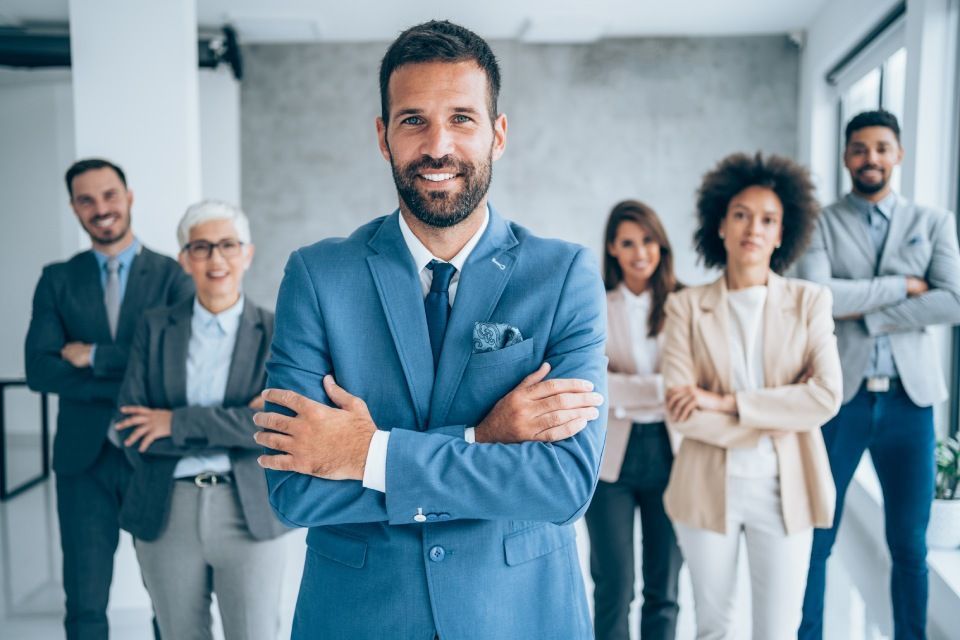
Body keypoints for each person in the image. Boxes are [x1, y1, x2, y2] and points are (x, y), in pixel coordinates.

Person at [252, 20, 607, 640]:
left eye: (462, 118)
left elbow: (563, 485)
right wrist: (481, 438)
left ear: (498, 134)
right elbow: (294, 487)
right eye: (413, 120)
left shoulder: (564, 275)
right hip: (362, 617)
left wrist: (367, 455)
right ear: (383, 136)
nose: (438, 146)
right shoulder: (317, 276)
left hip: (517, 615)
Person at [660, 152, 843, 640]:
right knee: (713, 627)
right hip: (706, 486)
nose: (753, 229)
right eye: (741, 215)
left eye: (768, 219)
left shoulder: (810, 301)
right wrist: (784, 410)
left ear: (783, 233)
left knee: (778, 631)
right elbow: (682, 411)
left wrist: (725, 402)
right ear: (721, 224)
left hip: (786, 487)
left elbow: (826, 398)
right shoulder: (685, 307)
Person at [796, 110, 960, 640]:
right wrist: (902, 285)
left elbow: (952, 300)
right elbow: (818, 296)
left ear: (898, 155)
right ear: (846, 156)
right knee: (818, 536)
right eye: (860, 148)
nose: (871, 158)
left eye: (882, 148)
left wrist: (867, 312)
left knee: (910, 545)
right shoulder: (819, 223)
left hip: (911, 404)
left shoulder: (933, 221)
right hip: (839, 399)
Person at [24, 158, 193, 640]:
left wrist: (93, 355)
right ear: (74, 208)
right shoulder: (57, 279)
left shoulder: (172, 276)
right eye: (86, 200)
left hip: (153, 457)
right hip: (83, 463)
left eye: (109, 195)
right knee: (84, 604)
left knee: (170, 599)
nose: (100, 208)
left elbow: (177, 362)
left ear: (129, 197)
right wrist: (132, 374)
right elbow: (40, 369)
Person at [111, 200, 288, 639]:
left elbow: (277, 427)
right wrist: (240, 423)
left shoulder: (276, 332)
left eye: (228, 245)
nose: (216, 258)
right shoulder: (154, 328)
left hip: (247, 509)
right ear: (184, 259)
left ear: (247, 254)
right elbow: (131, 428)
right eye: (202, 247)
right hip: (167, 508)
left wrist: (174, 423)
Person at [585, 200, 683, 640]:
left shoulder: (687, 304)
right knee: (614, 585)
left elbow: (696, 382)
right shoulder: (595, 305)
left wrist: (623, 392)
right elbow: (592, 384)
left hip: (673, 453)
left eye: (647, 240)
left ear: (661, 244)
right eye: (627, 243)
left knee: (665, 587)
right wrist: (662, 390)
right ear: (612, 248)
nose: (640, 253)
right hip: (611, 458)